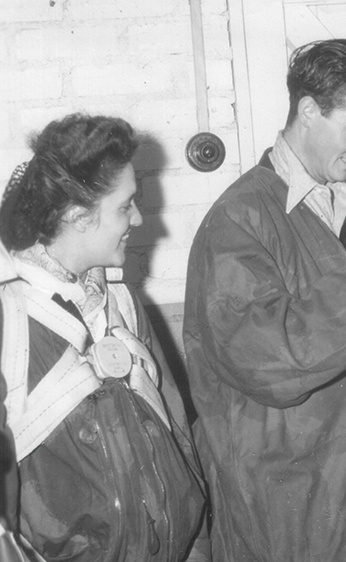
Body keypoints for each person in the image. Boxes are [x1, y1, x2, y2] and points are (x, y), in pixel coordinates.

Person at [182, 38, 346, 561]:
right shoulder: (239, 220)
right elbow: (274, 361)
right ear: (307, 111)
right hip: (286, 504)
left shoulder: (338, 212)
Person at [0, 114, 206, 561]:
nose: (138, 217)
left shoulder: (124, 304)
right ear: (77, 216)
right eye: (125, 205)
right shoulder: (8, 321)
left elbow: (179, 441)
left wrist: (198, 548)